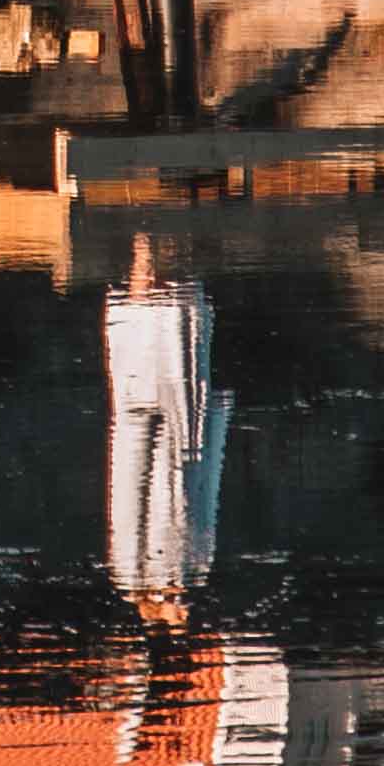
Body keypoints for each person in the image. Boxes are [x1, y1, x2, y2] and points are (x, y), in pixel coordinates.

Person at [103, 229, 223, 622]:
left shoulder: (131, 576)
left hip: (161, 443)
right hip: (181, 441)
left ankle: (145, 251)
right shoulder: (195, 570)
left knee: (148, 369)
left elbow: (127, 501)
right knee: (173, 355)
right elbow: (206, 494)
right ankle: (158, 248)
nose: (184, 611)